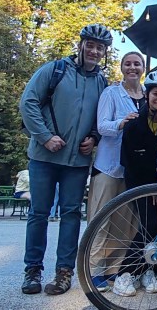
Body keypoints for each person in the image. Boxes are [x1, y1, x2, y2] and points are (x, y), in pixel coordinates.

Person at [19, 23, 111, 296]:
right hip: (44, 156)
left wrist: (94, 137)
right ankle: (33, 271)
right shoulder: (55, 70)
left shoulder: (102, 81)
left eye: (100, 48)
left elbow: (101, 118)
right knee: (39, 213)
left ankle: (64, 272)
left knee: (71, 215)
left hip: (77, 162)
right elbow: (28, 102)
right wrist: (45, 136)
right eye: (91, 45)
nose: (94, 51)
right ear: (81, 44)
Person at [111, 70, 157, 296]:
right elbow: (127, 161)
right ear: (147, 95)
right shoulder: (133, 124)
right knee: (149, 226)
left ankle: (149, 269)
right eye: (156, 94)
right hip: (141, 184)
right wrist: (147, 189)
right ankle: (125, 273)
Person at [88, 52, 146, 293]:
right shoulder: (111, 93)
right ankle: (93, 269)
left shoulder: (147, 94)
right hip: (109, 165)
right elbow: (102, 125)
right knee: (100, 218)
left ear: (143, 68)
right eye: (128, 64)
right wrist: (122, 122)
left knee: (125, 222)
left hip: (132, 168)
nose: (132, 68)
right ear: (122, 67)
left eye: (137, 64)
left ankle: (114, 269)